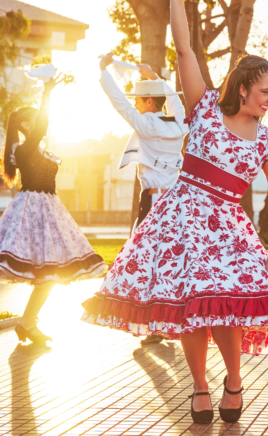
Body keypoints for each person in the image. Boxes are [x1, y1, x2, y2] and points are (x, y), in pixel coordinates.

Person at [80, 0, 268, 425]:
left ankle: (233, 381)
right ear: (242, 87)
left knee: (223, 309)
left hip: (227, 226)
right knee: (188, 308)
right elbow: (184, 47)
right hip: (177, 217)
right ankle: (199, 387)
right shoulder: (206, 107)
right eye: (265, 91)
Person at [0, 74, 106, 346]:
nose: (35, 123)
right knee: (47, 274)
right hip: (33, 210)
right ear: (22, 126)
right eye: (29, 121)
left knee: (50, 275)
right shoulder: (23, 149)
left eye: (35, 119)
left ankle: (27, 323)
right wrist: (47, 91)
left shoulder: (37, 148)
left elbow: (44, 126)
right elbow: (43, 124)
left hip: (49, 208)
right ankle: (28, 323)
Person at [98, 53, 190, 346]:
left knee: (149, 262)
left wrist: (104, 72)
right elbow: (175, 101)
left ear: (150, 103)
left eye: (140, 100)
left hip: (154, 202)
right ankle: (163, 323)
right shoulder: (179, 125)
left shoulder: (148, 125)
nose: (135, 104)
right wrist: (153, 78)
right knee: (167, 263)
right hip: (174, 202)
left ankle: (154, 324)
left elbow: (119, 104)